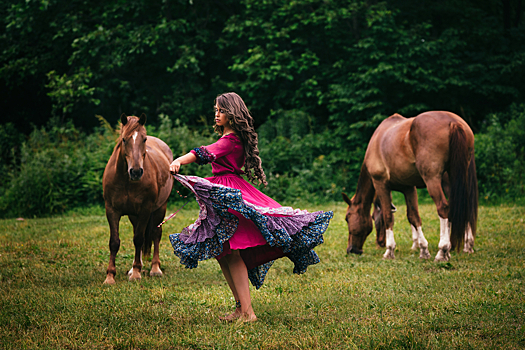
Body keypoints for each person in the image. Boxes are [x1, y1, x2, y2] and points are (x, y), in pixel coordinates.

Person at [169, 92, 333, 323]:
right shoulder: (231, 137)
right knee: (222, 252)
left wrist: (179, 160)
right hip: (223, 190)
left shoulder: (231, 140)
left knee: (231, 252)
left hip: (230, 192)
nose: (216, 114)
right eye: (215, 110)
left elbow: (205, 152)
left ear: (232, 113)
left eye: (221, 111)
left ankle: (248, 313)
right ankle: (240, 308)